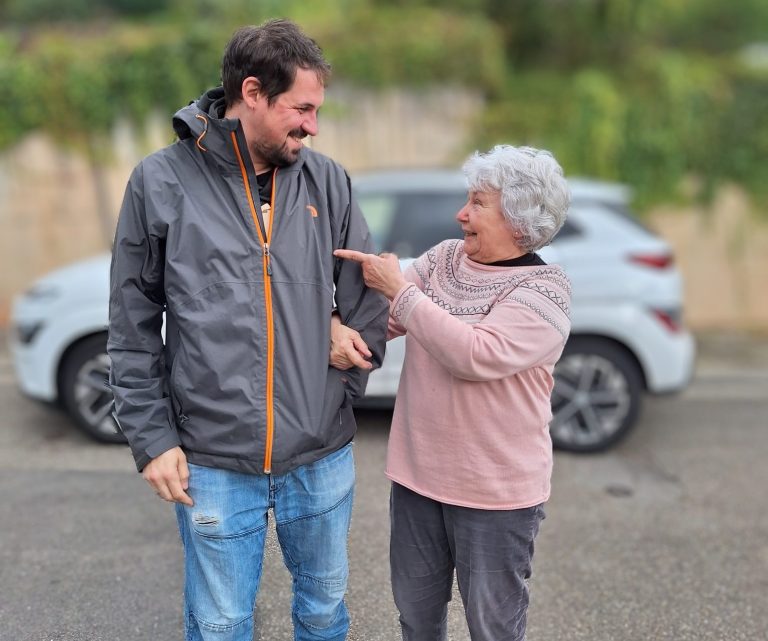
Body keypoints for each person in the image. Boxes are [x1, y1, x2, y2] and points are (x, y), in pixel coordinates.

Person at [108, 19, 388, 641]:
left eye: (317, 110)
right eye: (302, 109)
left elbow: (367, 297)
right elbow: (131, 325)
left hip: (321, 457)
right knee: (220, 625)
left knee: (324, 613)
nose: (313, 126)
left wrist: (341, 373)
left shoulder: (328, 181)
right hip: (212, 462)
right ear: (253, 92)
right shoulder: (160, 182)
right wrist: (153, 440)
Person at [335, 145, 572, 641]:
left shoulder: (544, 292)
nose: (461, 214)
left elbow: (475, 355)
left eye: (478, 204)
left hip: (496, 496)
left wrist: (400, 291)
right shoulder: (445, 258)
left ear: (519, 219)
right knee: (416, 619)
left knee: (493, 629)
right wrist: (339, 325)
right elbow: (383, 319)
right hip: (418, 481)